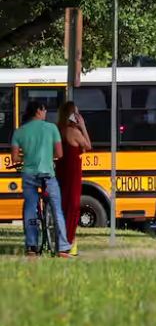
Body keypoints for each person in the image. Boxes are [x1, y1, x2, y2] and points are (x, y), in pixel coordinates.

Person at [11, 101, 73, 257]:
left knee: (30, 208)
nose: (45, 113)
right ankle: (63, 247)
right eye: (44, 110)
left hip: (29, 175)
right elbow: (59, 154)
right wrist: (47, 157)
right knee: (56, 208)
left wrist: (27, 157)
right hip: (48, 175)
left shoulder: (19, 132)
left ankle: (31, 246)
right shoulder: (51, 128)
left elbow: (14, 158)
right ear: (39, 111)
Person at [56, 101, 92, 256]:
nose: (78, 116)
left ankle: (62, 241)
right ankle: (67, 243)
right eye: (76, 113)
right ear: (72, 115)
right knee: (73, 206)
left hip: (61, 170)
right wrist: (83, 126)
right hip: (73, 172)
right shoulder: (73, 131)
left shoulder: (58, 129)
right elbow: (88, 146)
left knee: (63, 206)